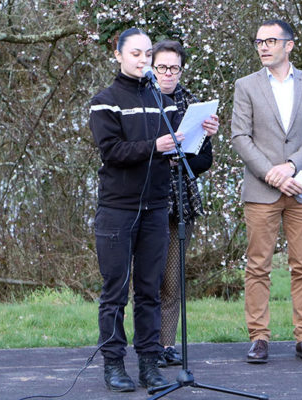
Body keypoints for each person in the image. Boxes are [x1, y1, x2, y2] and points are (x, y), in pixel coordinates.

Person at [231, 20, 302, 364]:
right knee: (257, 266)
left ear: (289, 45)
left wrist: (290, 166)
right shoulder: (245, 86)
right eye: (259, 41)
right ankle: (259, 338)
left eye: (270, 41)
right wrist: (273, 175)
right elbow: (240, 137)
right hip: (261, 191)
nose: (263, 47)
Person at [89, 28, 184, 392]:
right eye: (136, 54)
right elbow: (112, 151)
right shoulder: (105, 101)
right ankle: (114, 364)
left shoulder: (164, 100)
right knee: (115, 290)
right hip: (117, 210)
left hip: (157, 207)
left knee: (149, 290)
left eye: (148, 54)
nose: (144, 60)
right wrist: (154, 146)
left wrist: (199, 135)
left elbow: (179, 152)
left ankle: (149, 364)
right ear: (118, 55)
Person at [150, 40, 219, 368]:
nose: (167, 74)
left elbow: (205, 159)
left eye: (174, 68)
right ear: (151, 68)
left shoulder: (193, 104)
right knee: (148, 278)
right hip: (145, 200)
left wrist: (194, 148)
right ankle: (146, 346)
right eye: (161, 67)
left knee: (172, 281)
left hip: (181, 200)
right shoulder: (140, 99)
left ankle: (166, 344)